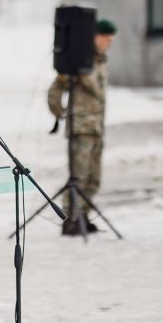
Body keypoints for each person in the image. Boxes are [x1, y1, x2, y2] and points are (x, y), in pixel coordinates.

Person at [47, 18, 117, 235]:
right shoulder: (81, 63)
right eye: (105, 38)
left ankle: (83, 216)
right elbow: (56, 88)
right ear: (95, 37)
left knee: (94, 178)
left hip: (97, 128)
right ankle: (70, 219)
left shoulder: (100, 61)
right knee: (78, 177)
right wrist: (59, 112)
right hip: (81, 128)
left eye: (110, 39)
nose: (108, 43)